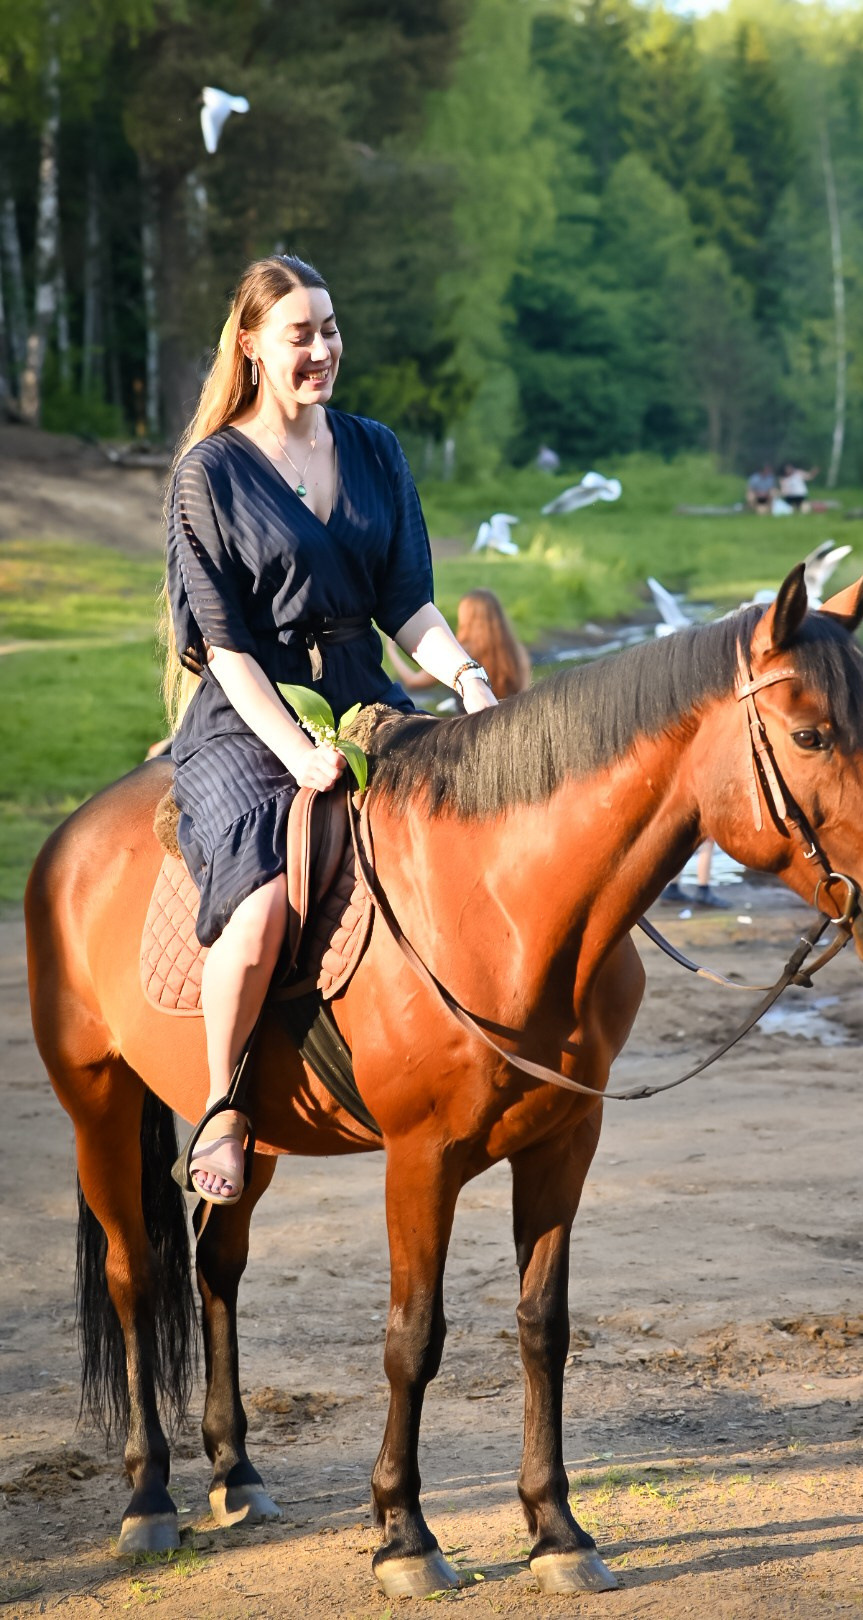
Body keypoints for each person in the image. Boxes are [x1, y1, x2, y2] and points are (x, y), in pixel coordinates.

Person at [164, 253, 498, 1206]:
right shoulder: (210, 473)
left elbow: (410, 609)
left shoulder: (376, 450)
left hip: (367, 693)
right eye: (299, 333)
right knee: (265, 895)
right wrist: (298, 752)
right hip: (249, 713)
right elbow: (224, 648)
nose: (322, 349)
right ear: (252, 346)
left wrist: (469, 678)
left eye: (330, 328)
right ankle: (224, 1104)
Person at [385, 587, 531, 703]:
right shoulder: (517, 652)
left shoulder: (462, 655)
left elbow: (413, 682)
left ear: (467, 619)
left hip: (468, 731)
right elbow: (524, 695)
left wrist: (391, 651)